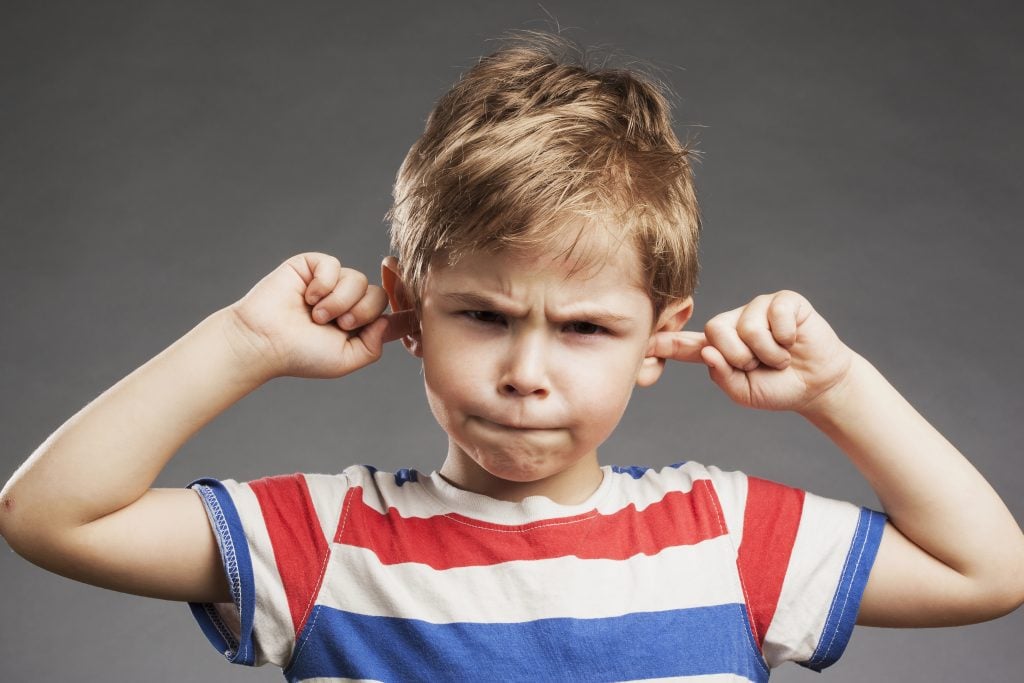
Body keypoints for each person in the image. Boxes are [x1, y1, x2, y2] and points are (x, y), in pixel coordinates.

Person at [2, 30, 1022, 682]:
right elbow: (48, 514)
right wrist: (243, 341)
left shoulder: (725, 534)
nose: (527, 370)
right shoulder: (320, 540)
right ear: (405, 309)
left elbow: (988, 570)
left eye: (585, 328)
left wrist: (838, 390)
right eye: (483, 315)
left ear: (659, 336)